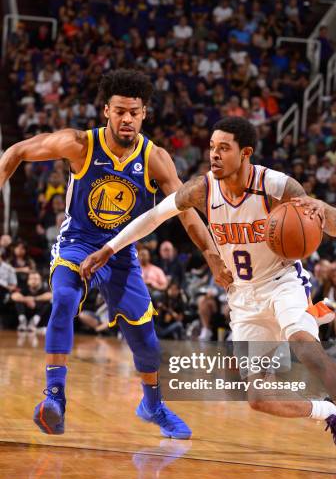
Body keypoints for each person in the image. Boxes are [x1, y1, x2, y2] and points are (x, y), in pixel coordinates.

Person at [81, 117, 336, 470]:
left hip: (282, 283)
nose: (214, 154)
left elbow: (335, 225)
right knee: (259, 398)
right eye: (212, 147)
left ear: (245, 153)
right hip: (242, 298)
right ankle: (328, 411)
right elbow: (153, 217)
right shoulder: (203, 190)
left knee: (307, 348)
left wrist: (324, 211)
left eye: (223, 148)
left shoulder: (273, 184)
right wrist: (108, 249)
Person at [0, 69, 232, 439]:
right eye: (120, 111)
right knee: (62, 299)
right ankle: (55, 397)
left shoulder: (155, 158)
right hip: (78, 244)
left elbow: (184, 209)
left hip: (122, 253)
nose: (127, 119)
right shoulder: (79, 144)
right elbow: (15, 152)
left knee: (147, 344)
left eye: (134, 112)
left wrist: (212, 255)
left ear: (144, 114)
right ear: (106, 110)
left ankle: (153, 406)